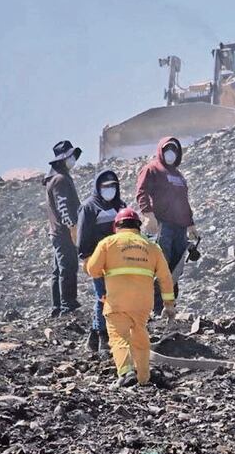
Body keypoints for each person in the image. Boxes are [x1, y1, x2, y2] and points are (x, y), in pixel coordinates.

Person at [85, 208, 176, 387]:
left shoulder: (108, 243)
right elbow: (165, 277)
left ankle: (126, 373)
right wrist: (169, 304)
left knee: (119, 337)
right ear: (138, 226)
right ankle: (143, 378)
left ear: (116, 226)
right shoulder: (152, 247)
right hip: (142, 304)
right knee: (140, 337)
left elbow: (93, 270)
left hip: (117, 302)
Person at [135, 136, 199, 313]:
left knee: (176, 268)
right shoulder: (152, 169)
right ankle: (156, 308)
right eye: (167, 149)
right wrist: (148, 215)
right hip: (163, 225)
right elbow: (141, 192)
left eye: (174, 150)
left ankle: (170, 307)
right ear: (160, 151)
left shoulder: (179, 176)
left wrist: (190, 224)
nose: (170, 153)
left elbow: (184, 201)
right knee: (161, 266)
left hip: (180, 228)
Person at [76, 169, 125, 353]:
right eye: (106, 186)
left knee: (117, 297)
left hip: (119, 261)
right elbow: (83, 236)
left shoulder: (120, 206)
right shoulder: (89, 207)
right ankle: (103, 337)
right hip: (98, 259)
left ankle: (94, 335)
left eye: (113, 186)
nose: (110, 189)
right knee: (103, 297)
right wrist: (86, 259)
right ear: (98, 187)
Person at [43, 140, 82, 318]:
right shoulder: (60, 180)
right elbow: (63, 207)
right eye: (70, 156)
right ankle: (68, 306)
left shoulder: (55, 178)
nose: (72, 160)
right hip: (64, 232)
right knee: (68, 267)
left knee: (59, 269)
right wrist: (72, 228)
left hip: (58, 232)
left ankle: (57, 306)